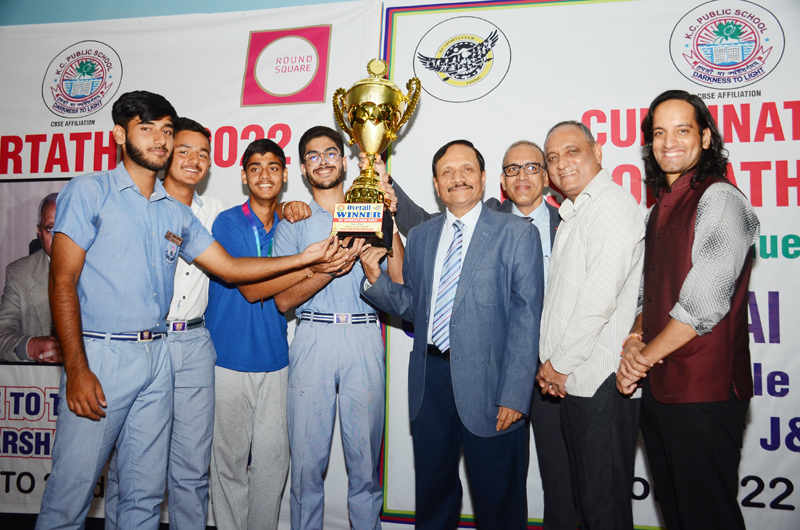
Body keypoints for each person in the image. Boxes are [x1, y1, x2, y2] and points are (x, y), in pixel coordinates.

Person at [36, 90, 338, 530]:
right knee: (70, 497)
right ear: (120, 134)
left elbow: (231, 269)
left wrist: (306, 256)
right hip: (102, 356)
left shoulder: (174, 213)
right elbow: (61, 280)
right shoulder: (89, 190)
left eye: (165, 130)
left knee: (143, 493)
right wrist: (77, 367)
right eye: (148, 129)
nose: (159, 140)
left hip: (160, 357)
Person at [376, 141, 574, 530]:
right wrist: (374, 280)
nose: (458, 179)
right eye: (447, 172)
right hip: (430, 383)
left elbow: (526, 317)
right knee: (433, 498)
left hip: (493, 385)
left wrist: (515, 394)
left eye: (467, 169)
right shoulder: (422, 236)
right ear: (436, 183)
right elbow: (416, 307)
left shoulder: (516, 233)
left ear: (484, 179)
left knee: (498, 502)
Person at [617, 90, 759, 530]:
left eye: (682, 130)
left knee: (706, 517)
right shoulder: (658, 209)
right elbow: (649, 293)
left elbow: (705, 301)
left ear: (707, 138)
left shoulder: (721, 200)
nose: (669, 142)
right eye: (659, 133)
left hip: (705, 395)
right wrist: (633, 338)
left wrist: (642, 358)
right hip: (661, 391)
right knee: (677, 517)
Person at [272, 125, 403, 530]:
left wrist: (389, 218)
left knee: (365, 467)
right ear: (303, 168)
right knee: (307, 468)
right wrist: (329, 270)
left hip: (364, 335)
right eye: (313, 156)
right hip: (312, 337)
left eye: (331, 153)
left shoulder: (372, 209)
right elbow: (282, 300)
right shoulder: (295, 220)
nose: (324, 161)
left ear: (345, 161)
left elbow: (397, 281)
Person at [205, 138, 318, 530]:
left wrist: (293, 219)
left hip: (275, 359)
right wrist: (307, 266)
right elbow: (251, 288)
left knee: (273, 462)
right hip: (229, 359)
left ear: (286, 175)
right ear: (243, 176)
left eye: (273, 167)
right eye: (255, 168)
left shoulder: (292, 222)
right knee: (230, 464)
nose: (264, 175)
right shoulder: (228, 222)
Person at [537, 121, 644, 530]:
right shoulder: (576, 210)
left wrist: (558, 364)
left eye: (572, 151)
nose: (562, 164)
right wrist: (555, 364)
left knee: (604, 511)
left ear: (597, 152)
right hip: (577, 382)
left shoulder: (611, 205)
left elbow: (598, 300)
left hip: (598, 383)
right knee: (589, 507)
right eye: (552, 157)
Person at [0, 193, 62, 362]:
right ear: (39, 231)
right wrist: (32, 347)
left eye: (65, 227)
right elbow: (2, 334)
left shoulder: (103, 273)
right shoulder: (19, 274)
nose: (59, 237)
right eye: (50, 228)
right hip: (40, 383)